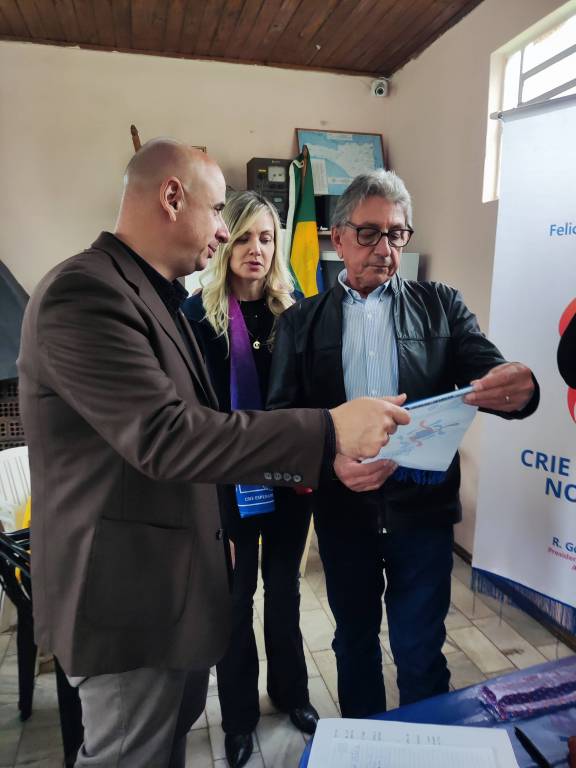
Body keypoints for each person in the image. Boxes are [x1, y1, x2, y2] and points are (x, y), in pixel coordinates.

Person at [17, 141, 410, 768]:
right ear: (173, 198)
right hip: (128, 601)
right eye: (221, 210)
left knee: (165, 744)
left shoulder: (155, 294)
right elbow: (168, 435)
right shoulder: (85, 293)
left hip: (174, 581)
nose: (227, 232)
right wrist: (328, 431)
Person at [267, 169, 539, 719]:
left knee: (420, 651)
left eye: (396, 233)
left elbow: (489, 373)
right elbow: (280, 421)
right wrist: (331, 462)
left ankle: (425, 746)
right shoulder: (301, 322)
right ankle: (365, 744)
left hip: (423, 513)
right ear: (338, 237)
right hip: (344, 514)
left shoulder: (441, 305)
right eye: (369, 233)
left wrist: (519, 388)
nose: (385, 248)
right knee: (354, 644)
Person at [183, 191, 317, 768]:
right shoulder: (197, 316)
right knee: (235, 601)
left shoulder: (296, 310)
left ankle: (291, 694)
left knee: (284, 592)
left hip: (286, 482)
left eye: (266, 238)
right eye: (243, 237)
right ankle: (238, 719)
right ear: (225, 243)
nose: (255, 249)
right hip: (226, 485)